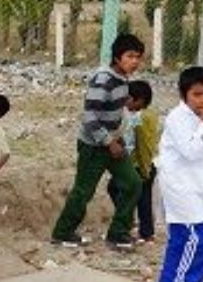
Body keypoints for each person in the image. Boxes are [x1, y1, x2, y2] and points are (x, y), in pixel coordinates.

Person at [51, 33, 145, 249]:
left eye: (138, 57)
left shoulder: (123, 78)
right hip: (93, 145)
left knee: (133, 183)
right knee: (84, 191)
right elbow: (90, 115)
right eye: (130, 56)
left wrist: (117, 138)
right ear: (117, 57)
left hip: (112, 142)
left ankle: (118, 233)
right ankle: (63, 232)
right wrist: (108, 142)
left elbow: (115, 113)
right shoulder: (103, 78)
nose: (135, 62)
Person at [157, 67, 203, 282]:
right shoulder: (177, 119)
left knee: (181, 241)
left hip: (198, 187)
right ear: (184, 95)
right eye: (197, 94)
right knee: (202, 238)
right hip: (181, 189)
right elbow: (191, 152)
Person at [106, 80, 158, 243]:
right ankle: (142, 229)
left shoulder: (140, 118)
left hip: (138, 165)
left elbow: (143, 145)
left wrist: (144, 168)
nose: (125, 102)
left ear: (139, 100)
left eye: (128, 99)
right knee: (140, 197)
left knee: (130, 194)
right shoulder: (143, 115)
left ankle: (139, 228)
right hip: (140, 164)